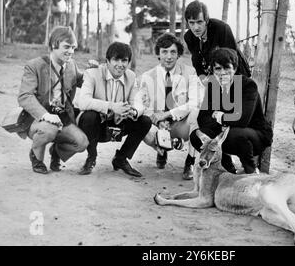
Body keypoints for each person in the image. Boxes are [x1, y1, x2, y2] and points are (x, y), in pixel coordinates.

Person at [17, 26, 89, 174]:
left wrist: (94, 72)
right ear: (53, 45)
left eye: (73, 48)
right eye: (66, 47)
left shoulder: (71, 65)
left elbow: (83, 81)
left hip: (62, 116)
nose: (71, 51)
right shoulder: (34, 66)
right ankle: (36, 157)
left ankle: (56, 151)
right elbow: (24, 96)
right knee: (49, 130)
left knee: (82, 143)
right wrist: (45, 115)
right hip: (37, 118)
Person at [189, 47, 273, 174]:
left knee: (234, 134)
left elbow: (242, 120)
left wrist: (220, 117)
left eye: (227, 68)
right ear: (212, 70)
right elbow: (203, 118)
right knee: (196, 135)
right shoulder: (213, 85)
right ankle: (226, 167)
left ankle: (250, 171)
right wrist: (221, 126)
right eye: (218, 68)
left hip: (255, 134)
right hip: (226, 133)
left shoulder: (248, 85)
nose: (223, 72)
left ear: (234, 68)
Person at [77, 42, 152, 177]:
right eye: (116, 60)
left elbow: (136, 101)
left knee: (144, 121)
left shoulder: (131, 76)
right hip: (96, 125)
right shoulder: (92, 73)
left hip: (118, 123)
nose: (120, 64)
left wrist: (132, 111)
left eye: (124, 60)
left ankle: (121, 159)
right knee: (89, 116)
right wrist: (112, 106)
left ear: (128, 62)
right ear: (107, 61)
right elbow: (82, 102)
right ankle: (91, 157)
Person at [138, 33, 204, 180]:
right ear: (158, 54)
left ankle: (190, 161)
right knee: (139, 120)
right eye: (164, 52)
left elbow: (195, 101)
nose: (169, 56)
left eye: (173, 52)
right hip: (159, 126)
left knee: (197, 111)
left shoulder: (190, 72)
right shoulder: (147, 76)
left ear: (179, 54)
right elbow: (143, 105)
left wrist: (168, 114)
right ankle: (162, 149)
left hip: (181, 124)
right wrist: (158, 121)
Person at [183, 0, 251, 80]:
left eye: (199, 22)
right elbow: (196, 60)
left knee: (236, 92)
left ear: (206, 20)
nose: (196, 27)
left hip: (236, 74)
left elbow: (232, 59)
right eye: (192, 23)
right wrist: (202, 77)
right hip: (214, 76)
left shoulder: (222, 29)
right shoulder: (189, 37)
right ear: (187, 22)